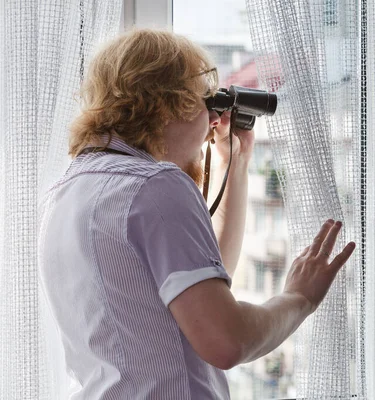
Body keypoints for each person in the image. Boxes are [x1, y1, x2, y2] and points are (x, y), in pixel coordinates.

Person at [38, 28, 355, 399]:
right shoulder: (155, 186)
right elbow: (226, 340)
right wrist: (299, 298)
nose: (212, 124)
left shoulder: (65, 192)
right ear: (173, 102)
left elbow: (202, 295)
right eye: (207, 102)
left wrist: (234, 164)